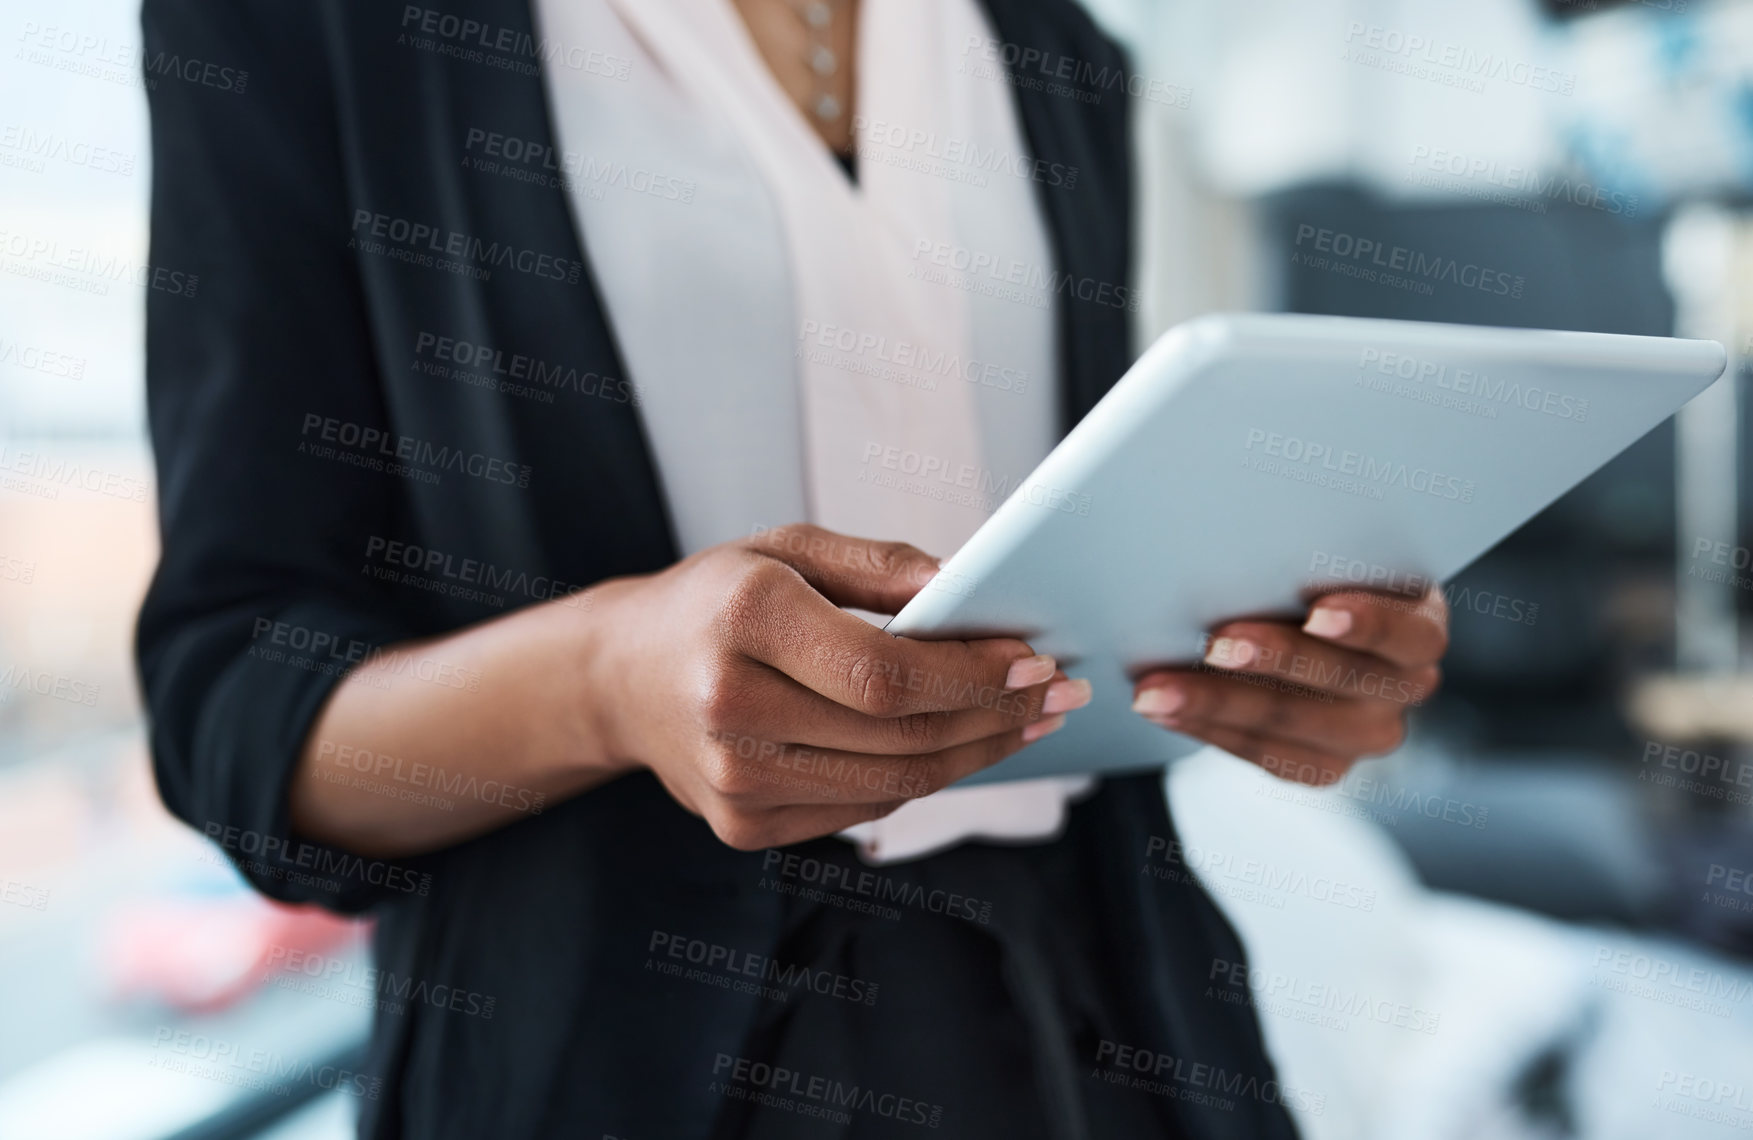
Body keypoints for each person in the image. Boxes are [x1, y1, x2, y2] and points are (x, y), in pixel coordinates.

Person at [135, 0, 1447, 1136]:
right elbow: (234, 719)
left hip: (1091, 1021)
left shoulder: (1058, 48)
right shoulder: (311, 27)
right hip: (598, 1058)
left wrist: (1277, 639)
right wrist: (601, 682)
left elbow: (1073, 545)